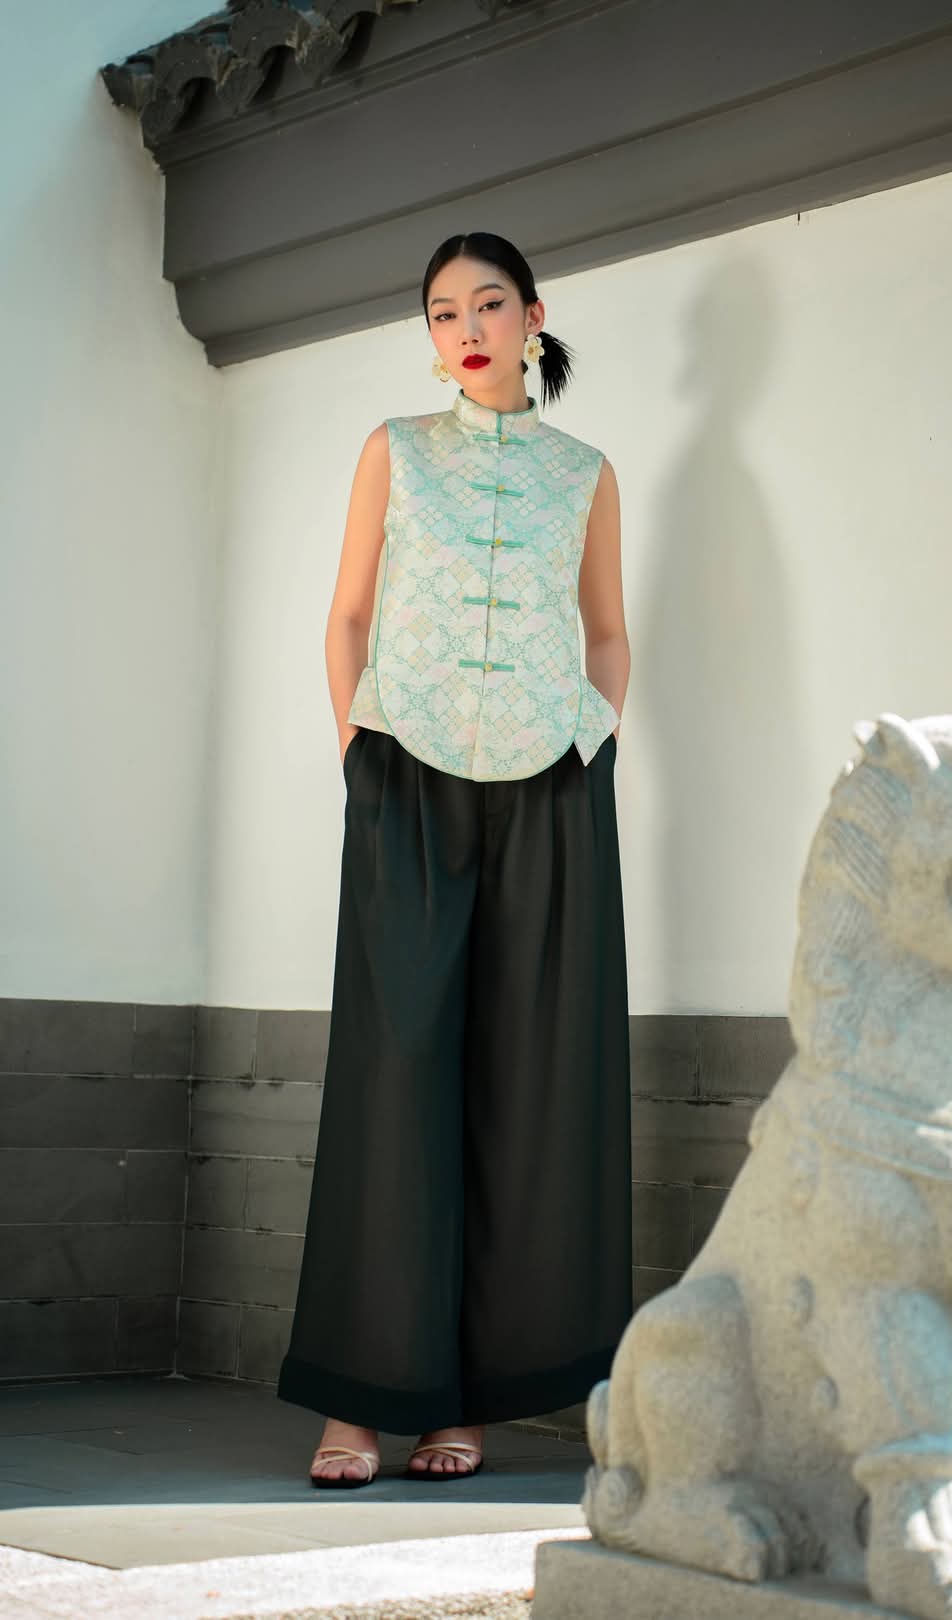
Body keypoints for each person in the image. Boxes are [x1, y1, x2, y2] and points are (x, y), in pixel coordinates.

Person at [276, 230, 633, 1487]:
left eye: (487, 305)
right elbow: (348, 613)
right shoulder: (396, 451)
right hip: (407, 779)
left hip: (550, 786)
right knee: (394, 1075)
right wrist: (356, 754)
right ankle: (359, 1405)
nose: (467, 329)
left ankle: (464, 1406)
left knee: (523, 1084)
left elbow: (606, 629)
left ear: (533, 315)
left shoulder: (584, 473)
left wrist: (594, 737)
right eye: (443, 312)